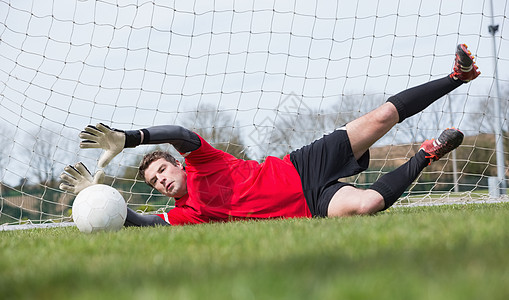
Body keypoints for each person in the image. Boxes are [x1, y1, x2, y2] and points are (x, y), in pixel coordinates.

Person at [60, 44, 480, 227]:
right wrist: (99, 202)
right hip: (311, 206)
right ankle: (428, 154)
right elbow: (142, 220)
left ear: (176, 163)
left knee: (382, 116)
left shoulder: (204, 161)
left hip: (303, 165)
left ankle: (454, 77)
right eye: (154, 183)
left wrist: (131, 138)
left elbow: (181, 133)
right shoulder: (188, 213)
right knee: (367, 204)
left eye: (162, 171)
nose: (161, 180)